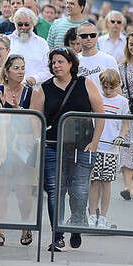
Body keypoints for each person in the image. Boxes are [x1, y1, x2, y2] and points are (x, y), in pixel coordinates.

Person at [41, 47, 105, 253]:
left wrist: (94, 143)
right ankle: (57, 235)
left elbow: (100, 113)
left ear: (71, 64)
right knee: (55, 191)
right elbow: (35, 119)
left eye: (60, 62)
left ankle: (76, 223)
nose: (56, 66)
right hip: (53, 146)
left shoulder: (85, 83)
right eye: (53, 62)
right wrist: (39, 142)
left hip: (82, 146)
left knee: (78, 190)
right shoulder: (44, 88)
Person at [0, 54, 44, 248]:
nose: (20, 71)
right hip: (1, 144)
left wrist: (36, 143)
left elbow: (36, 119)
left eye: (22, 67)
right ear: (7, 71)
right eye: (16, 67)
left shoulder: (31, 93)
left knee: (23, 191)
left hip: (23, 146)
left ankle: (25, 226)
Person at [90, 68, 128, 230]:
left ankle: (103, 216)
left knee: (106, 182)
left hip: (111, 148)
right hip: (96, 145)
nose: (107, 90)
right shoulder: (97, 98)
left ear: (117, 85)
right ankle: (92, 214)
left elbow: (125, 124)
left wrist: (121, 136)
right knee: (94, 181)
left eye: (111, 87)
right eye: (104, 87)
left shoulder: (122, 102)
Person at [7, 7, 49, 85]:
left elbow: (47, 69)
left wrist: (35, 79)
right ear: (15, 24)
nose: (23, 27)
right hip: (10, 88)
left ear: (33, 24)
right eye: (20, 24)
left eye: (26, 24)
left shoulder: (42, 43)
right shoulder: (7, 41)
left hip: (35, 89)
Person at [76, 21, 116, 92]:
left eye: (92, 35)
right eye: (84, 36)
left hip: (104, 102)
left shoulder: (109, 59)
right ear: (78, 38)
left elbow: (116, 88)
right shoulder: (73, 61)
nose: (89, 38)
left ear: (97, 36)